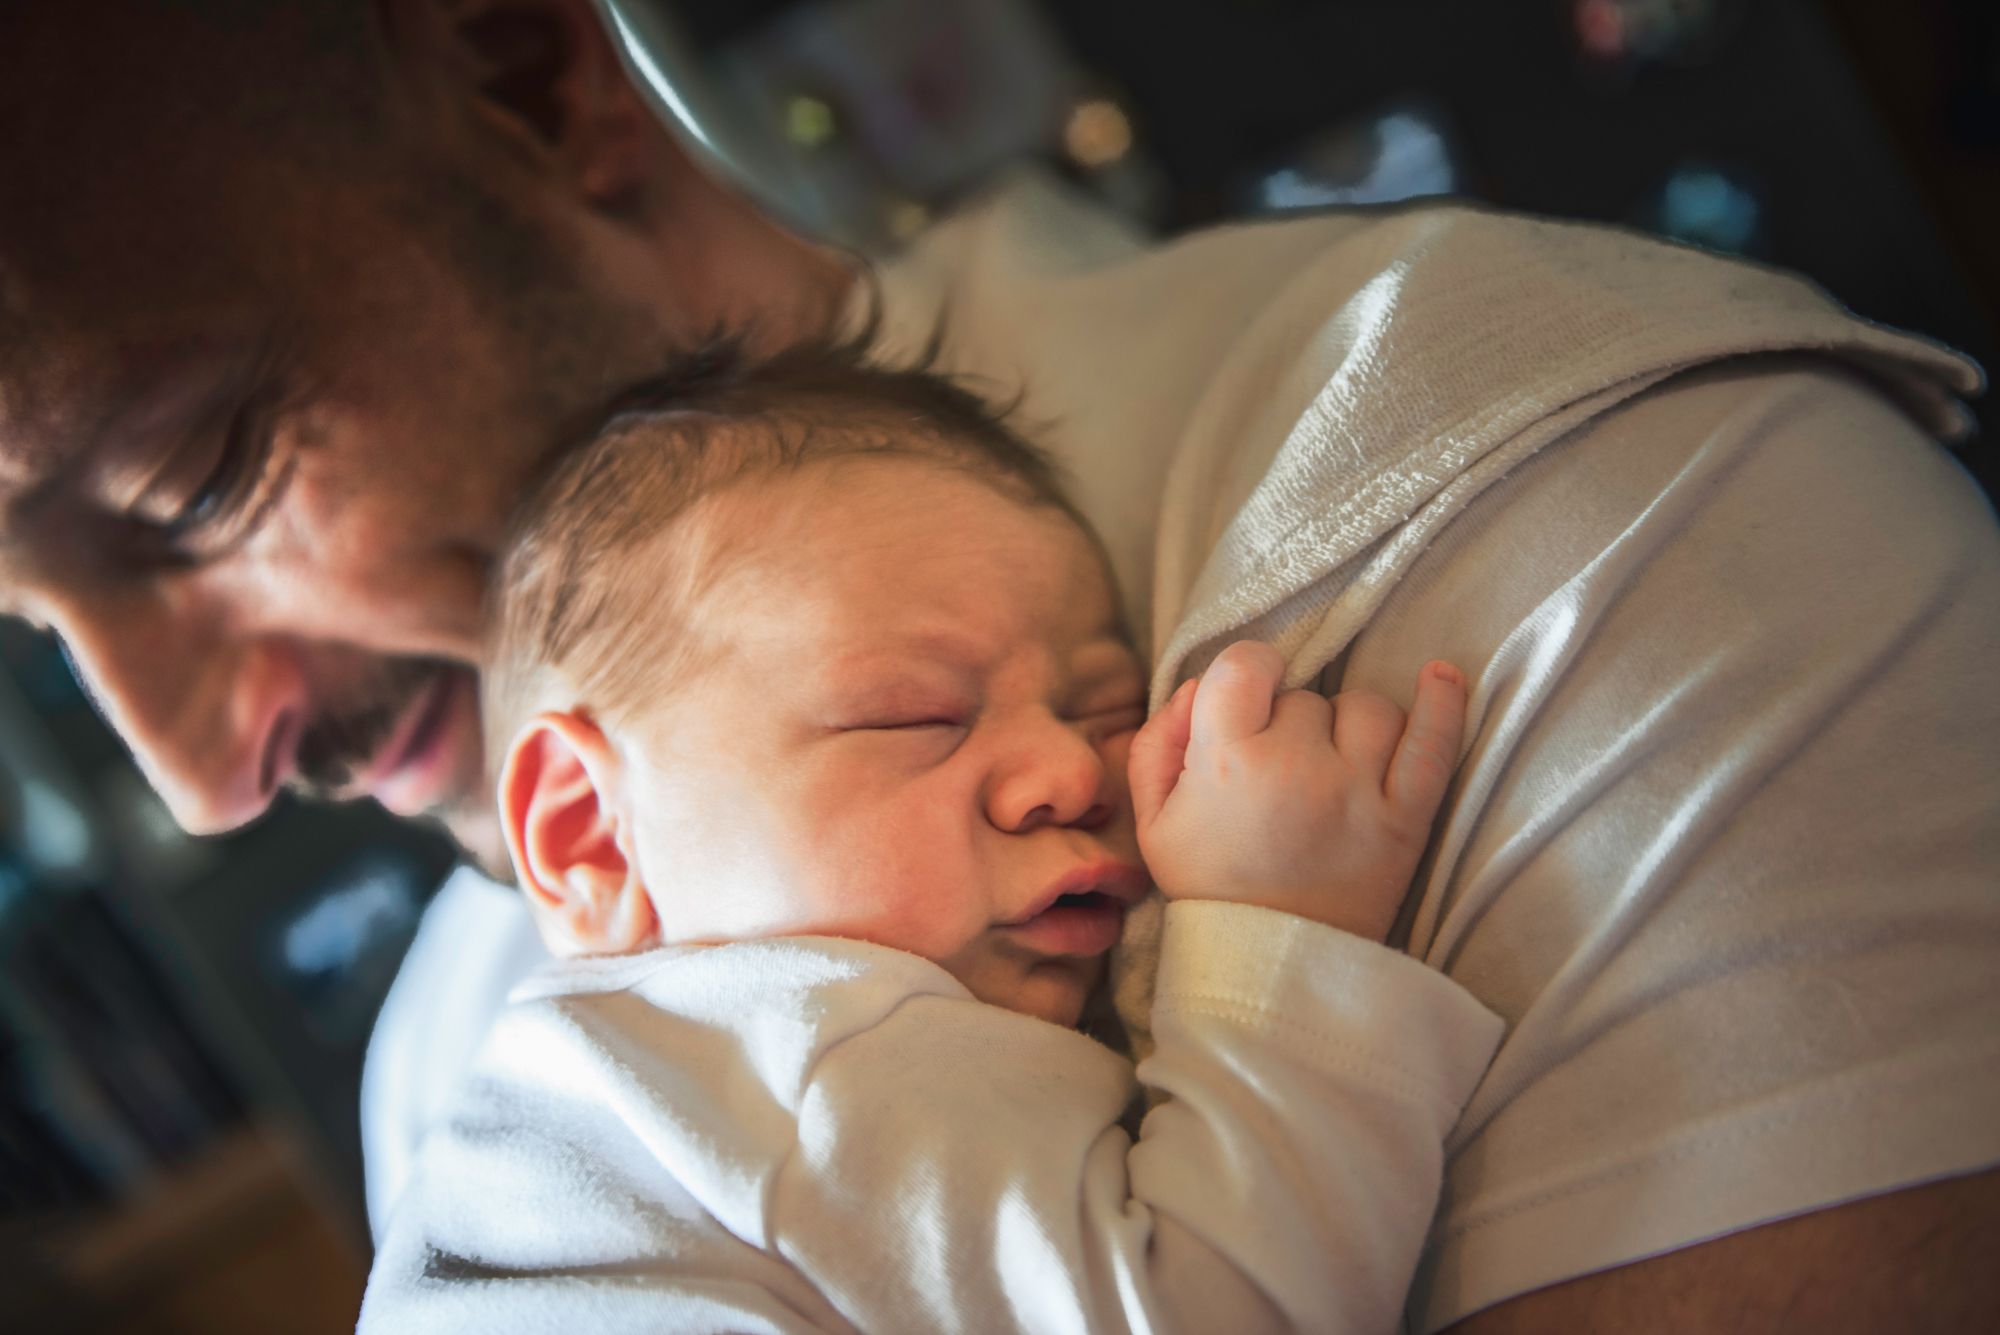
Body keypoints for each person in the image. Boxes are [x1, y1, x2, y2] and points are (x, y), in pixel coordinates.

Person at [0, 2, 1993, 1329]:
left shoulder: (1593, 517)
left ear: (533, 75)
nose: (193, 772)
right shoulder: (452, 1032)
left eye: (198, 478)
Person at [359, 346, 1499, 1331]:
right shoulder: (797, 1046)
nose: (1066, 772)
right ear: (591, 839)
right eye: (913, 718)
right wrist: (1279, 933)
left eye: (1103, 711)